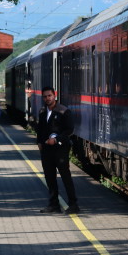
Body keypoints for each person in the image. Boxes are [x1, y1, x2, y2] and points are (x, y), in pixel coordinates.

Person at [36, 86, 79, 214]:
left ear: (55, 96)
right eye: (45, 96)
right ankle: (54, 204)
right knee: (50, 178)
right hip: (46, 150)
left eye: (49, 96)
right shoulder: (43, 111)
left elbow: (69, 130)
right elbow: (40, 128)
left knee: (65, 177)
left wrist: (57, 140)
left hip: (60, 149)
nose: (47, 98)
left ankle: (73, 204)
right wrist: (39, 142)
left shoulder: (64, 111)